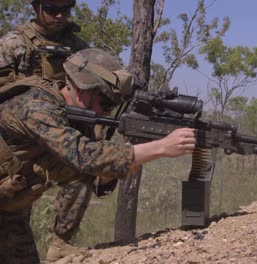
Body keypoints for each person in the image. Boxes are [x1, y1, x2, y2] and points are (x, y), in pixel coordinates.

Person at [0, 47, 196, 264]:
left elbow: (89, 171)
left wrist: (110, 173)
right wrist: (161, 148)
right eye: (106, 103)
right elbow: (84, 155)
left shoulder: (75, 119)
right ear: (83, 89)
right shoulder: (35, 105)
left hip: (9, 207)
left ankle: (60, 244)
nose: (106, 112)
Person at [0, 0, 99, 261]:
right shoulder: (13, 43)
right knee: (13, 221)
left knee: (84, 169)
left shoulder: (76, 47)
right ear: (36, 7)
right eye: (52, 8)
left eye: (65, 10)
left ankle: (61, 243)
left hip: (55, 144)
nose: (59, 16)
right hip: (15, 150)